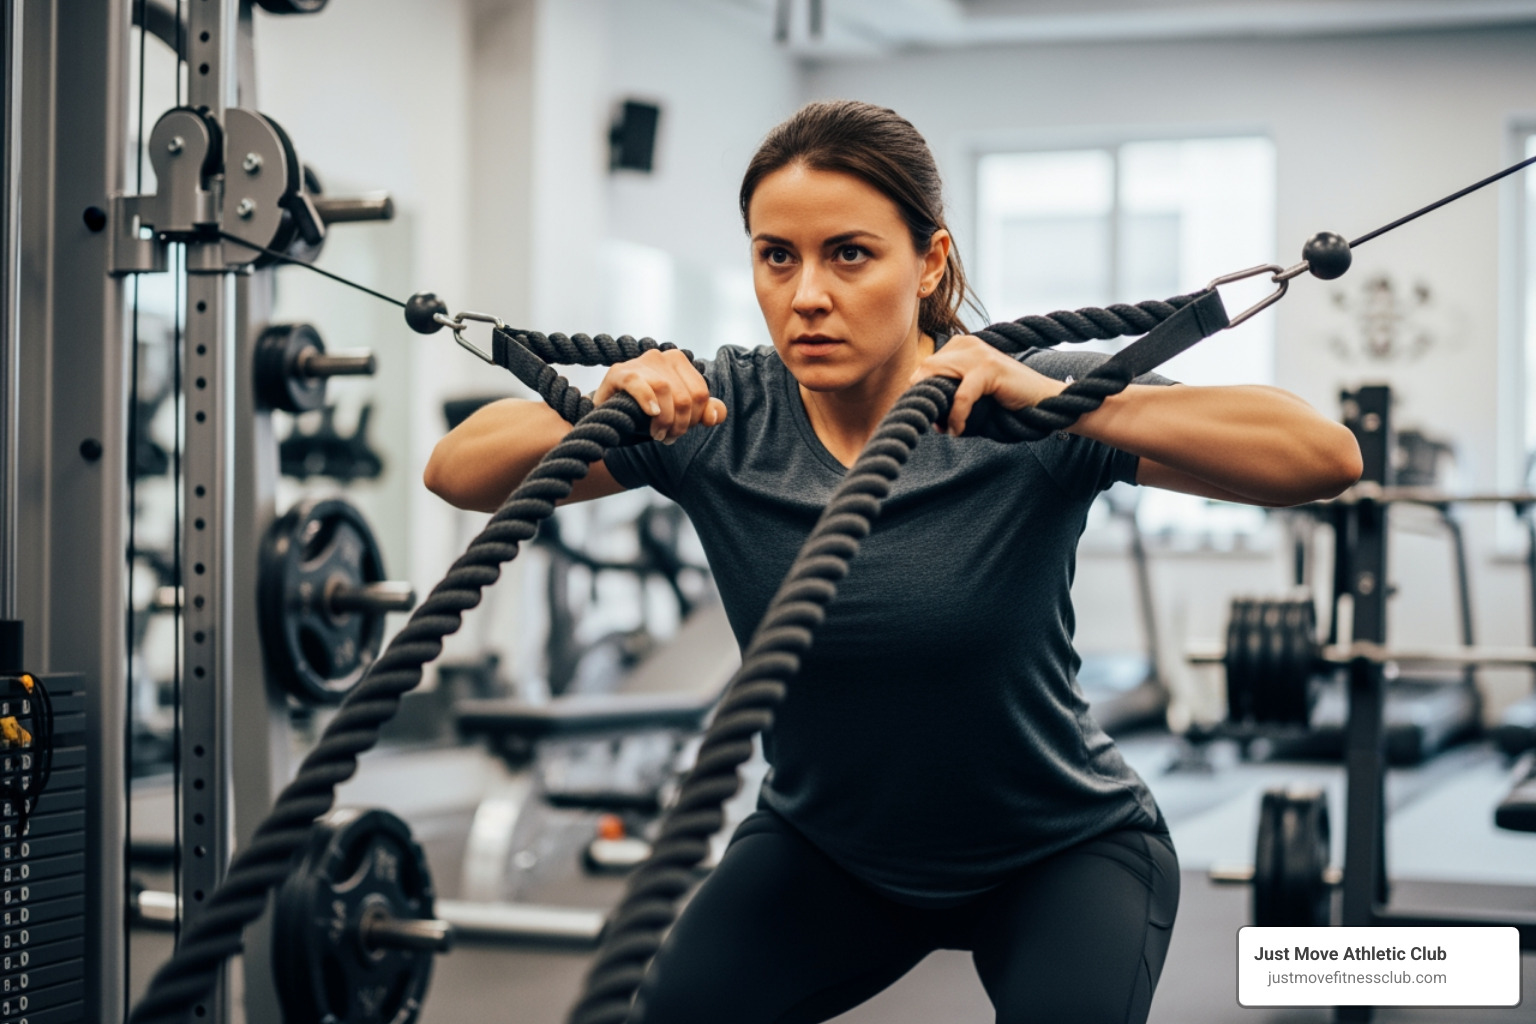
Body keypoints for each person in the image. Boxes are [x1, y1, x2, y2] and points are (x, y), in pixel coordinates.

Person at [424, 100, 1361, 1024]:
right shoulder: (721, 418)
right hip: (829, 853)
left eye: (851, 254)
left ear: (930, 261)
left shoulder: (1017, 404)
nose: (808, 296)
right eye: (776, 256)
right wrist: (605, 400)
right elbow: (457, 470)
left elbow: (1322, 456)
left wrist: (1063, 404)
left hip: (1059, 850)